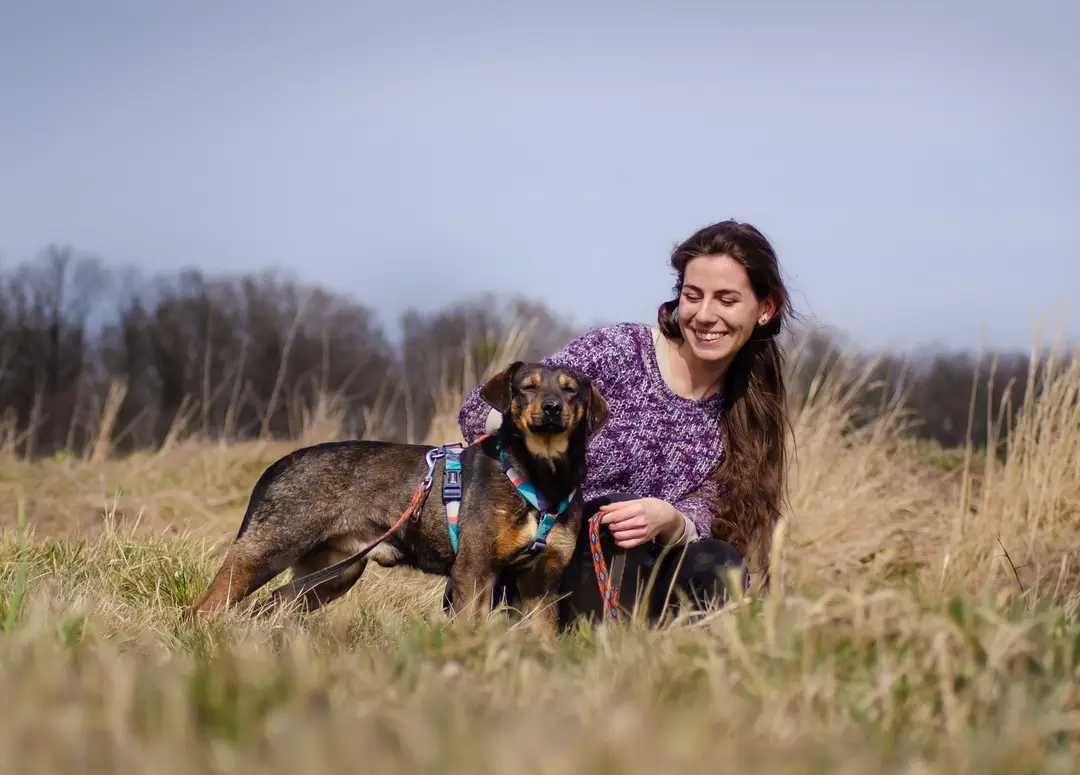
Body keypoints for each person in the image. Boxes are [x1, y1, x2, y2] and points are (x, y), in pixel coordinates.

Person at [458, 219, 792, 624]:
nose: (705, 315)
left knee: (718, 560)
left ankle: (679, 659)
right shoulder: (619, 351)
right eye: (693, 295)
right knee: (609, 519)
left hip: (647, 562)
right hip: (548, 551)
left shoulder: (748, 406)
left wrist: (670, 518)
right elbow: (476, 410)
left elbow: (711, 511)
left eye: (726, 299)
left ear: (765, 309)